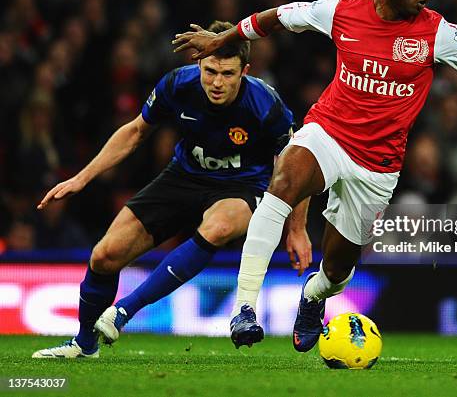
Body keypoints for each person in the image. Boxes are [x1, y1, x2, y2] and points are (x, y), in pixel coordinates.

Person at [172, 0, 457, 351]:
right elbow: (278, 16)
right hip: (328, 132)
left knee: (338, 269)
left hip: (378, 165)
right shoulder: (340, 11)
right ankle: (244, 310)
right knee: (283, 182)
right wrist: (226, 39)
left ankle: (313, 297)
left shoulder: (436, 32)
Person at [32, 21, 311, 358]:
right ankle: (84, 344)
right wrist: (82, 177)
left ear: (245, 71)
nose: (217, 82)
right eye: (210, 71)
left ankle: (124, 311)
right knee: (104, 257)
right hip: (183, 176)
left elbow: (297, 164)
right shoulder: (177, 84)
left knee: (220, 226)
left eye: (227, 73)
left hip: (243, 185)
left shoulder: (266, 105)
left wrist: (296, 229)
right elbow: (135, 131)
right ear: (199, 64)